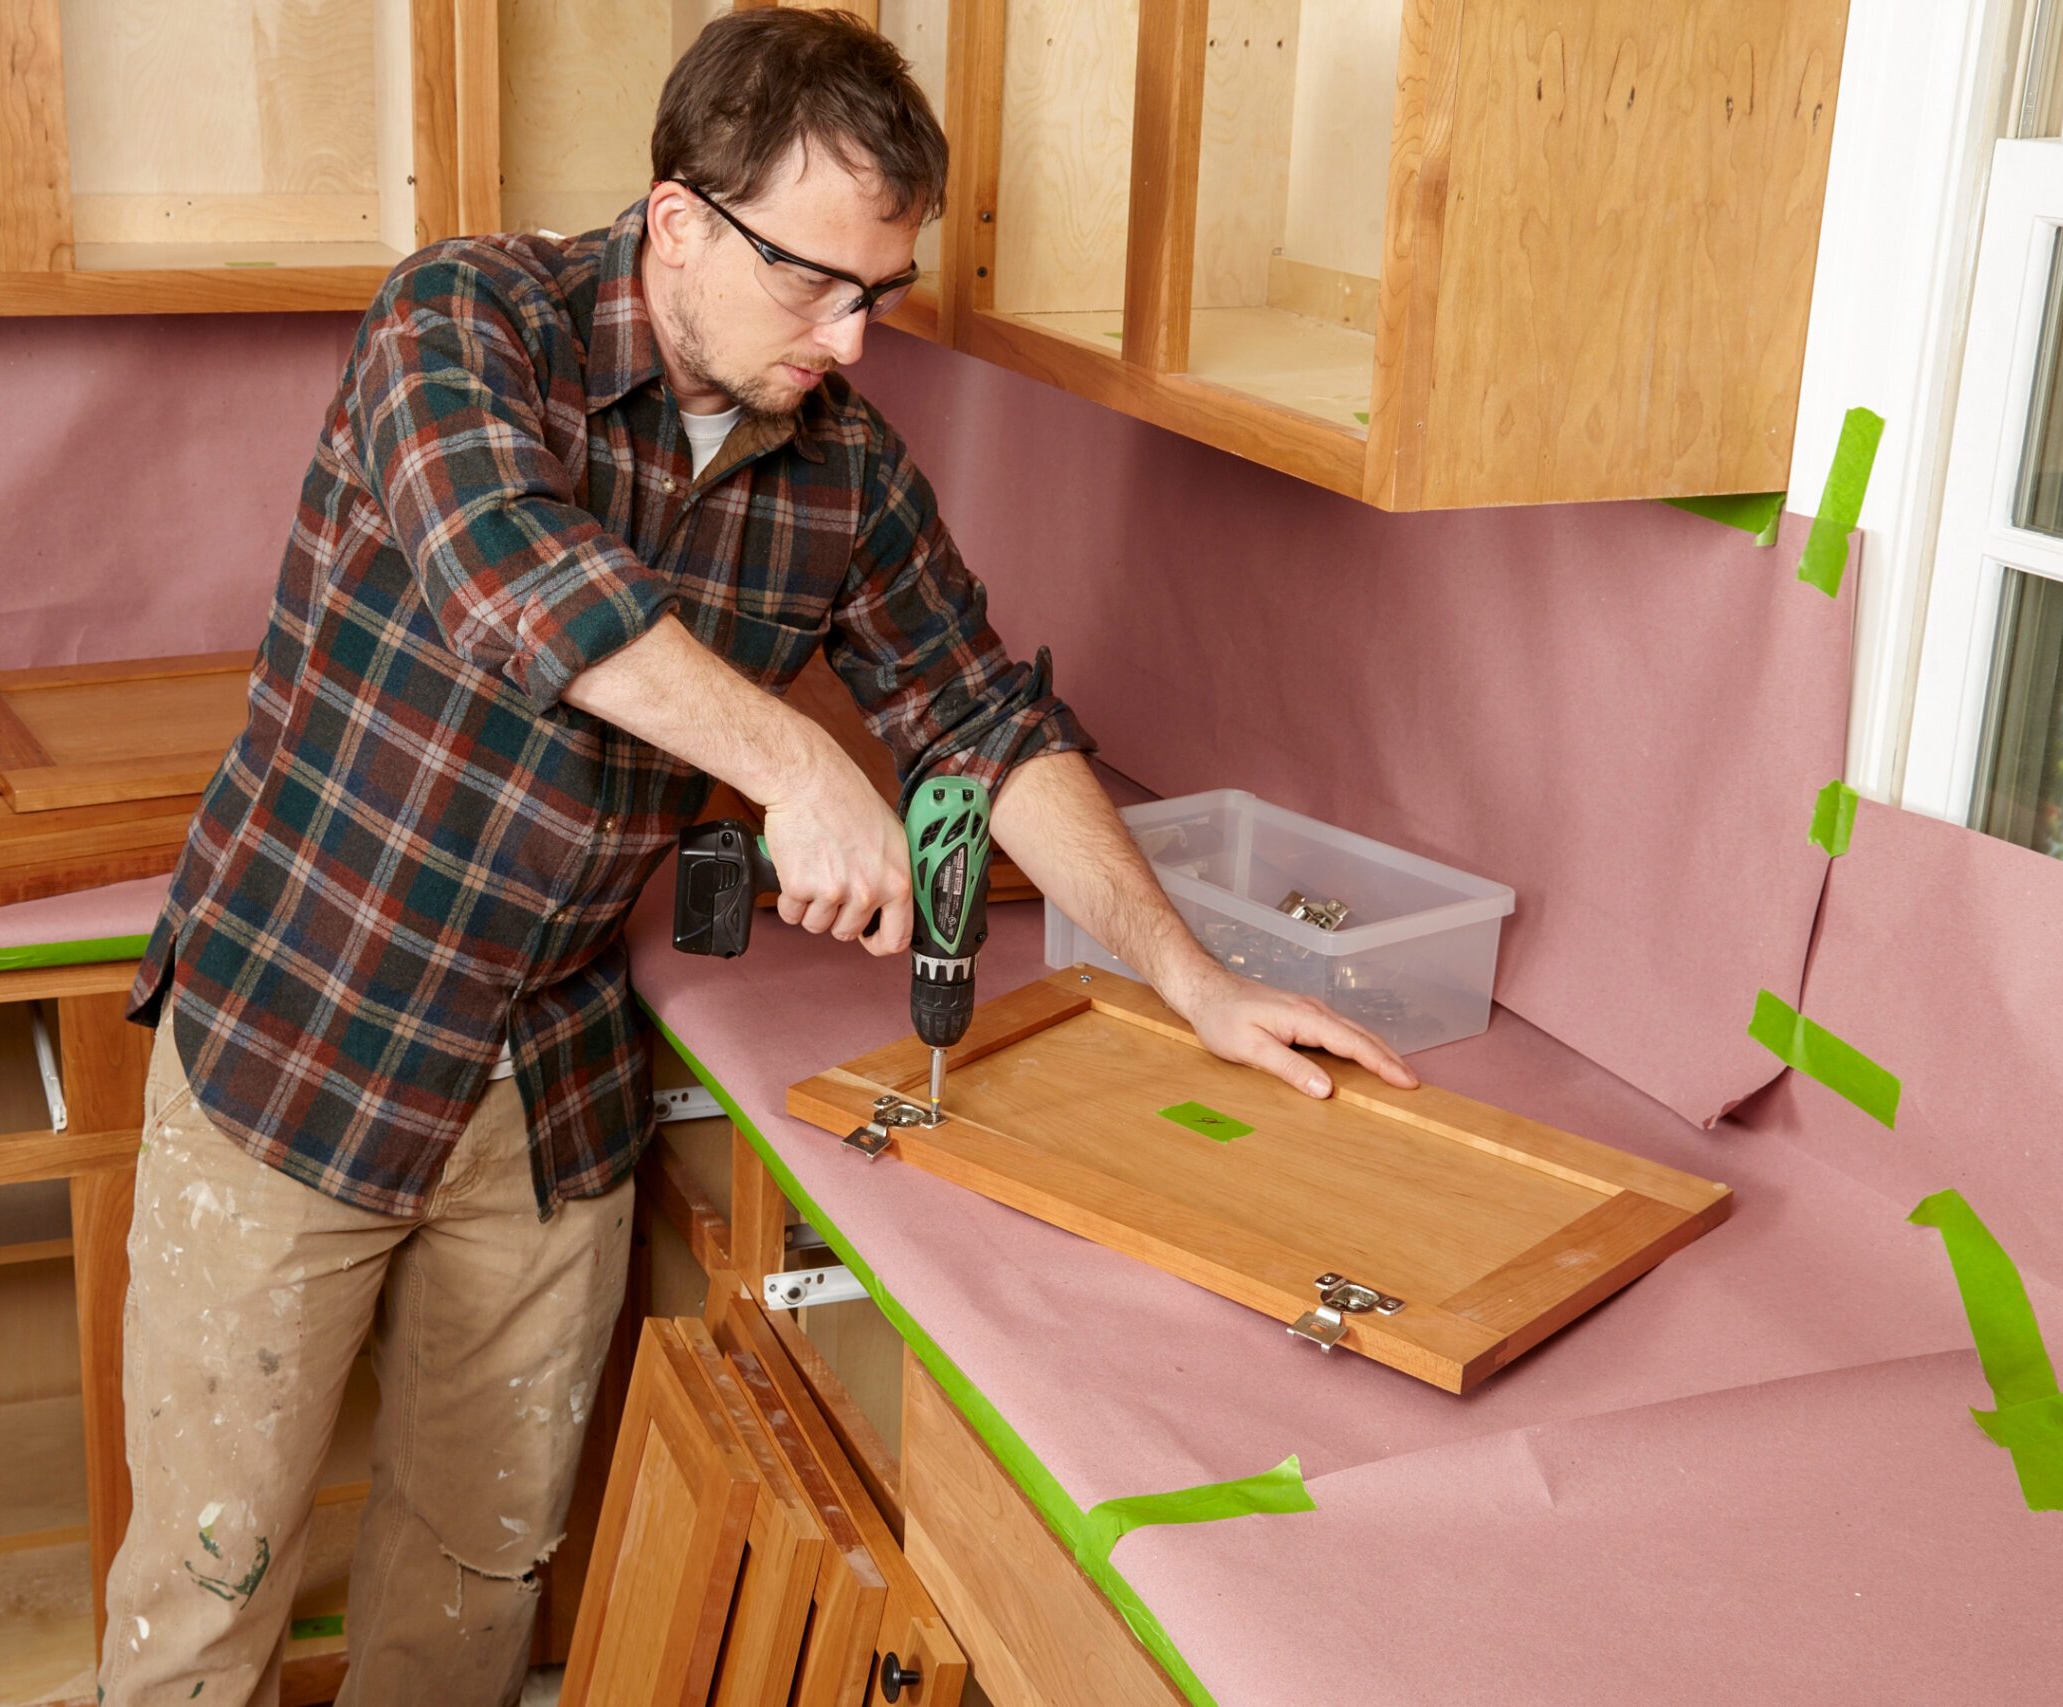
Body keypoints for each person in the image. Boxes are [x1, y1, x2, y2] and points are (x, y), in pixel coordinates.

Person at [101, 9, 1415, 1703]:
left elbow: (982, 722)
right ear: (677, 221)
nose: (853, 341)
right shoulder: (467, 317)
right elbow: (510, 571)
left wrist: (1192, 975)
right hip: (304, 1034)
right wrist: (797, 761)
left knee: (475, 1573)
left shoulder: (844, 474)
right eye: (815, 284)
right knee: (213, 1584)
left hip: (543, 1082)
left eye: (883, 294)